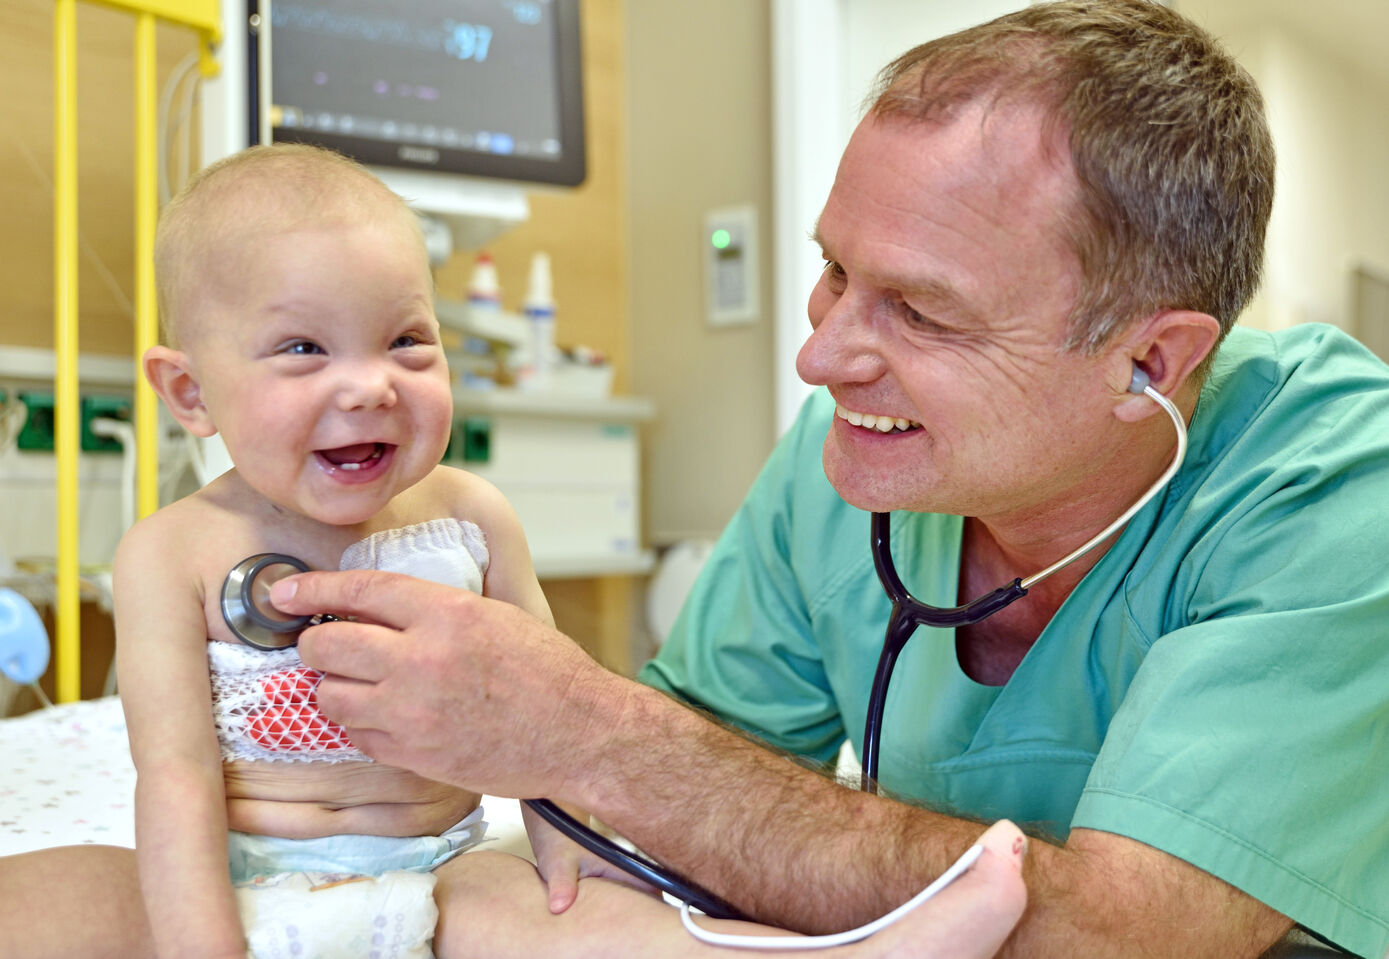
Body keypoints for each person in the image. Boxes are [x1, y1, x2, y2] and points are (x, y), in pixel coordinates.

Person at [256, 1, 1386, 957]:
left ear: (1149, 361)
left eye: (921, 309)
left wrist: (590, 726)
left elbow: (1134, 936)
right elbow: (670, 801)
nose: (820, 355)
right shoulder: (842, 459)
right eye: (833, 270)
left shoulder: (1332, 489)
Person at [0, 145, 1031, 959]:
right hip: (243, 873)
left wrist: (566, 871)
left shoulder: (470, 520)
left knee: (587, 918)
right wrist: (203, 944)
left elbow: (550, 719)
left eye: (407, 339)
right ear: (188, 392)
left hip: (439, 875)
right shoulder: (169, 553)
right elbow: (173, 776)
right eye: (304, 349)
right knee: (55, 896)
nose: (369, 385)